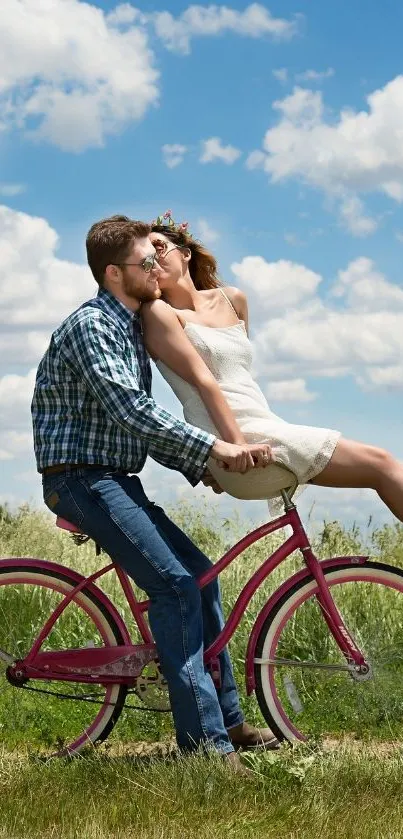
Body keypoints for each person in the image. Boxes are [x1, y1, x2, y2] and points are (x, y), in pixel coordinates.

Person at [31, 215, 280, 772]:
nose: (157, 269)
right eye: (148, 261)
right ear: (116, 272)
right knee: (175, 588)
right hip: (81, 479)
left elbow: (137, 427)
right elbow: (132, 411)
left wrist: (201, 467)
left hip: (115, 477)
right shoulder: (93, 326)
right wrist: (216, 449)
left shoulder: (128, 328)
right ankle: (206, 749)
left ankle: (230, 721)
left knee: (202, 577)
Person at [140, 212, 403, 522]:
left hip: (263, 426)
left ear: (184, 253)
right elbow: (204, 382)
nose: (154, 260)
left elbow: (241, 379)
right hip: (236, 441)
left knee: (381, 464)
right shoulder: (158, 312)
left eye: (159, 247)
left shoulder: (233, 299)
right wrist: (231, 448)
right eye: (145, 258)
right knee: (381, 464)